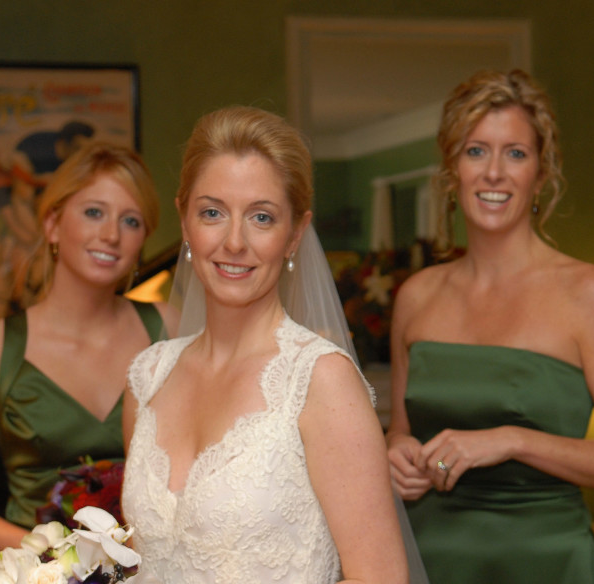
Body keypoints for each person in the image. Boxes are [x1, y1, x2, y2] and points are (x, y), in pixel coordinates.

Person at [121, 106, 415, 584]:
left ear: (295, 233)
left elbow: (380, 579)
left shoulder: (320, 380)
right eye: (212, 212)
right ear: (184, 219)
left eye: (261, 217)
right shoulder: (147, 378)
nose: (234, 241)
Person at [386, 68, 594, 583]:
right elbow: (402, 436)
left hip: (548, 562)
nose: (494, 172)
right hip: (430, 558)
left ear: (541, 175)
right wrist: (398, 457)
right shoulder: (416, 297)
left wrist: (514, 440)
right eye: (476, 151)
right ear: (453, 169)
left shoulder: (591, 295)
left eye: (515, 153)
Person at [0, 141, 180, 557]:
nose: (110, 234)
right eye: (94, 212)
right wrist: (53, 558)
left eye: (131, 220)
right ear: (53, 224)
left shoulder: (170, 329)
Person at [0, 121, 95, 309]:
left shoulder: (67, 159)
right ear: (66, 142)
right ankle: (16, 297)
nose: (79, 153)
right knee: (26, 238)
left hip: (30, 185)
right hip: (1, 178)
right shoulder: (37, 149)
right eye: (77, 147)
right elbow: (23, 191)